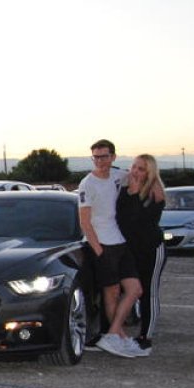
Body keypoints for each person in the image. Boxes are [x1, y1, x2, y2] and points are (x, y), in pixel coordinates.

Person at [78, 138, 144, 358]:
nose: (99, 160)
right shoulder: (88, 184)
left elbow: (137, 178)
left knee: (135, 289)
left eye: (104, 156)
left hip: (120, 242)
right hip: (102, 244)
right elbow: (85, 222)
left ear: (113, 157)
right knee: (112, 291)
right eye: (95, 156)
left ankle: (114, 333)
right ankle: (119, 337)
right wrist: (98, 250)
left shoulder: (118, 176)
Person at [116, 154, 166, 354]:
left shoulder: (155, 192)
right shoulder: (124, 190)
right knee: (129, 290)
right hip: (130, 249)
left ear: (150, 172)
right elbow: (121, 218)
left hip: (151, 249)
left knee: (148, 291)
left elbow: (141, 220)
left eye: (141, 169)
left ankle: (146, 336)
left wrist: (136, 194)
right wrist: (131, 192)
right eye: (134, 167)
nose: (135, 172)